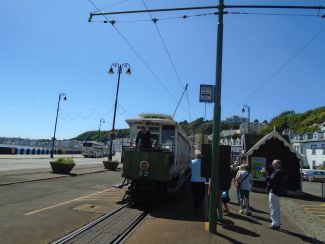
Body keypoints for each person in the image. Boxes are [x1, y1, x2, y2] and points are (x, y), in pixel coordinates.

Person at [263, 159, 283, 230]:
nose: (273, 165)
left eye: (274, 164)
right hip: (277, 191)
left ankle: (275, 224)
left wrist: (266, 175)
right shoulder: (278, 171)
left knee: (273, 208)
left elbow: (271, 181)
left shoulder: (277, 172)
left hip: (274, 191)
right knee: (276, 208)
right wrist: (267, 175)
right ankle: (277, 223)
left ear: (278, 164)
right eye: (272, 164)